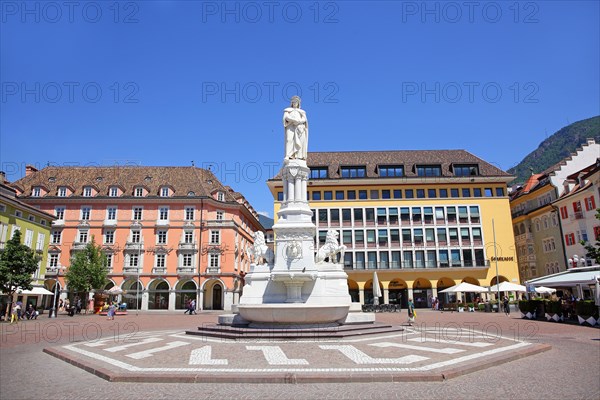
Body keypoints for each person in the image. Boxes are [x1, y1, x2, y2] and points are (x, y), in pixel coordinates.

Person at [283, 96, 308, 160]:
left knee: (299, 141)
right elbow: (286, 117)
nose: (295, 103)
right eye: (293, 101)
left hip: (299, 127)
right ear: (291, 102)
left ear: (298, 103)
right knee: (289, 139)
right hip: (290, 126)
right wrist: (294, 120)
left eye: (296, 102)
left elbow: (304, 119)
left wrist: (299, 121)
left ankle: (298, 156)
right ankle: (288, 155)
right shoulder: (287, 110)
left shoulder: (302, 111)